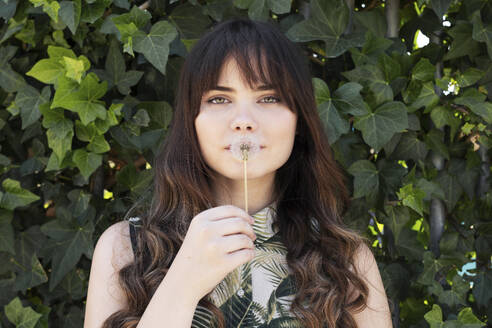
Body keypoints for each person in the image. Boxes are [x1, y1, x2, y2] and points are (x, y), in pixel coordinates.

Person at [84, 17, 393, 328]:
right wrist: (184, 282)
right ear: (191, 121)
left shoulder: (346, 259)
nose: (243, 120)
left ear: (299, 120)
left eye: (268, 98)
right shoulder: (126, 249)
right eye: (219, 99)